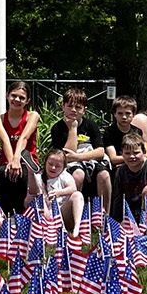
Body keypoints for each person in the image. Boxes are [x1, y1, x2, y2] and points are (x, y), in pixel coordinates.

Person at [49, 87, 111, 215]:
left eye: (78, 107)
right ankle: (72, 213)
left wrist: (77, 157)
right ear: (63, 107)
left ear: (84, 110)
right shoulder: (57, 128)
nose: (73, 110)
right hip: (70, 165)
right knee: (78, 174)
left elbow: (100, 152)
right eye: (70, 106)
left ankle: (104, 215)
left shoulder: (91, 125)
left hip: (89, 161)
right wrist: (72, 128)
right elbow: (66, 154)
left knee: (104, 175)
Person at [0, 80, 42, 214]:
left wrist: (17, 160)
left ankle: (23, 213)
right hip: (7, 160)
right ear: (7, 96)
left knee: (22, 174)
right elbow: (5, 140)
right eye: (13, 95)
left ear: (27, 100)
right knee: (4, 172)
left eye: (22, 97)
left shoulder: (32, 116)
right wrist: (12, 161)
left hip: (26, 159)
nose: (17, 100)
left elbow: (24, 137)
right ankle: (6, 214)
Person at [41, 148, 84, 237]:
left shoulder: (64, 176)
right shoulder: (39, 177)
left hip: (63, 211)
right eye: (50, 164)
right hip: (47, 213)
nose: (53, 168)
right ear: (45, 162)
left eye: (58, 166)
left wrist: (59, 192)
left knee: (78, 195)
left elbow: (73, 188)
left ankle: (77, 228)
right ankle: (50, 229)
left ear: (63, 167)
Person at [103, 95, 142, 168]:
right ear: (115, 114)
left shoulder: (138, 132)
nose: (124, 117)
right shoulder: (109, 132)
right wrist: (133, 159)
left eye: (128, 113)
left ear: (134, 114)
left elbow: (142, 154)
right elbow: (113, 159)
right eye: (120, 113)